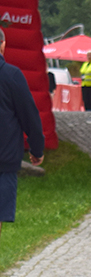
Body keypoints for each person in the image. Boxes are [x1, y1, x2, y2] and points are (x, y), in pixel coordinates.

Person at [0, 28, 45, 240]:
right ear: (2, 45)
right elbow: (29, 115)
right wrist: (37, 149)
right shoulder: (11, 75)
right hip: (3, 161)